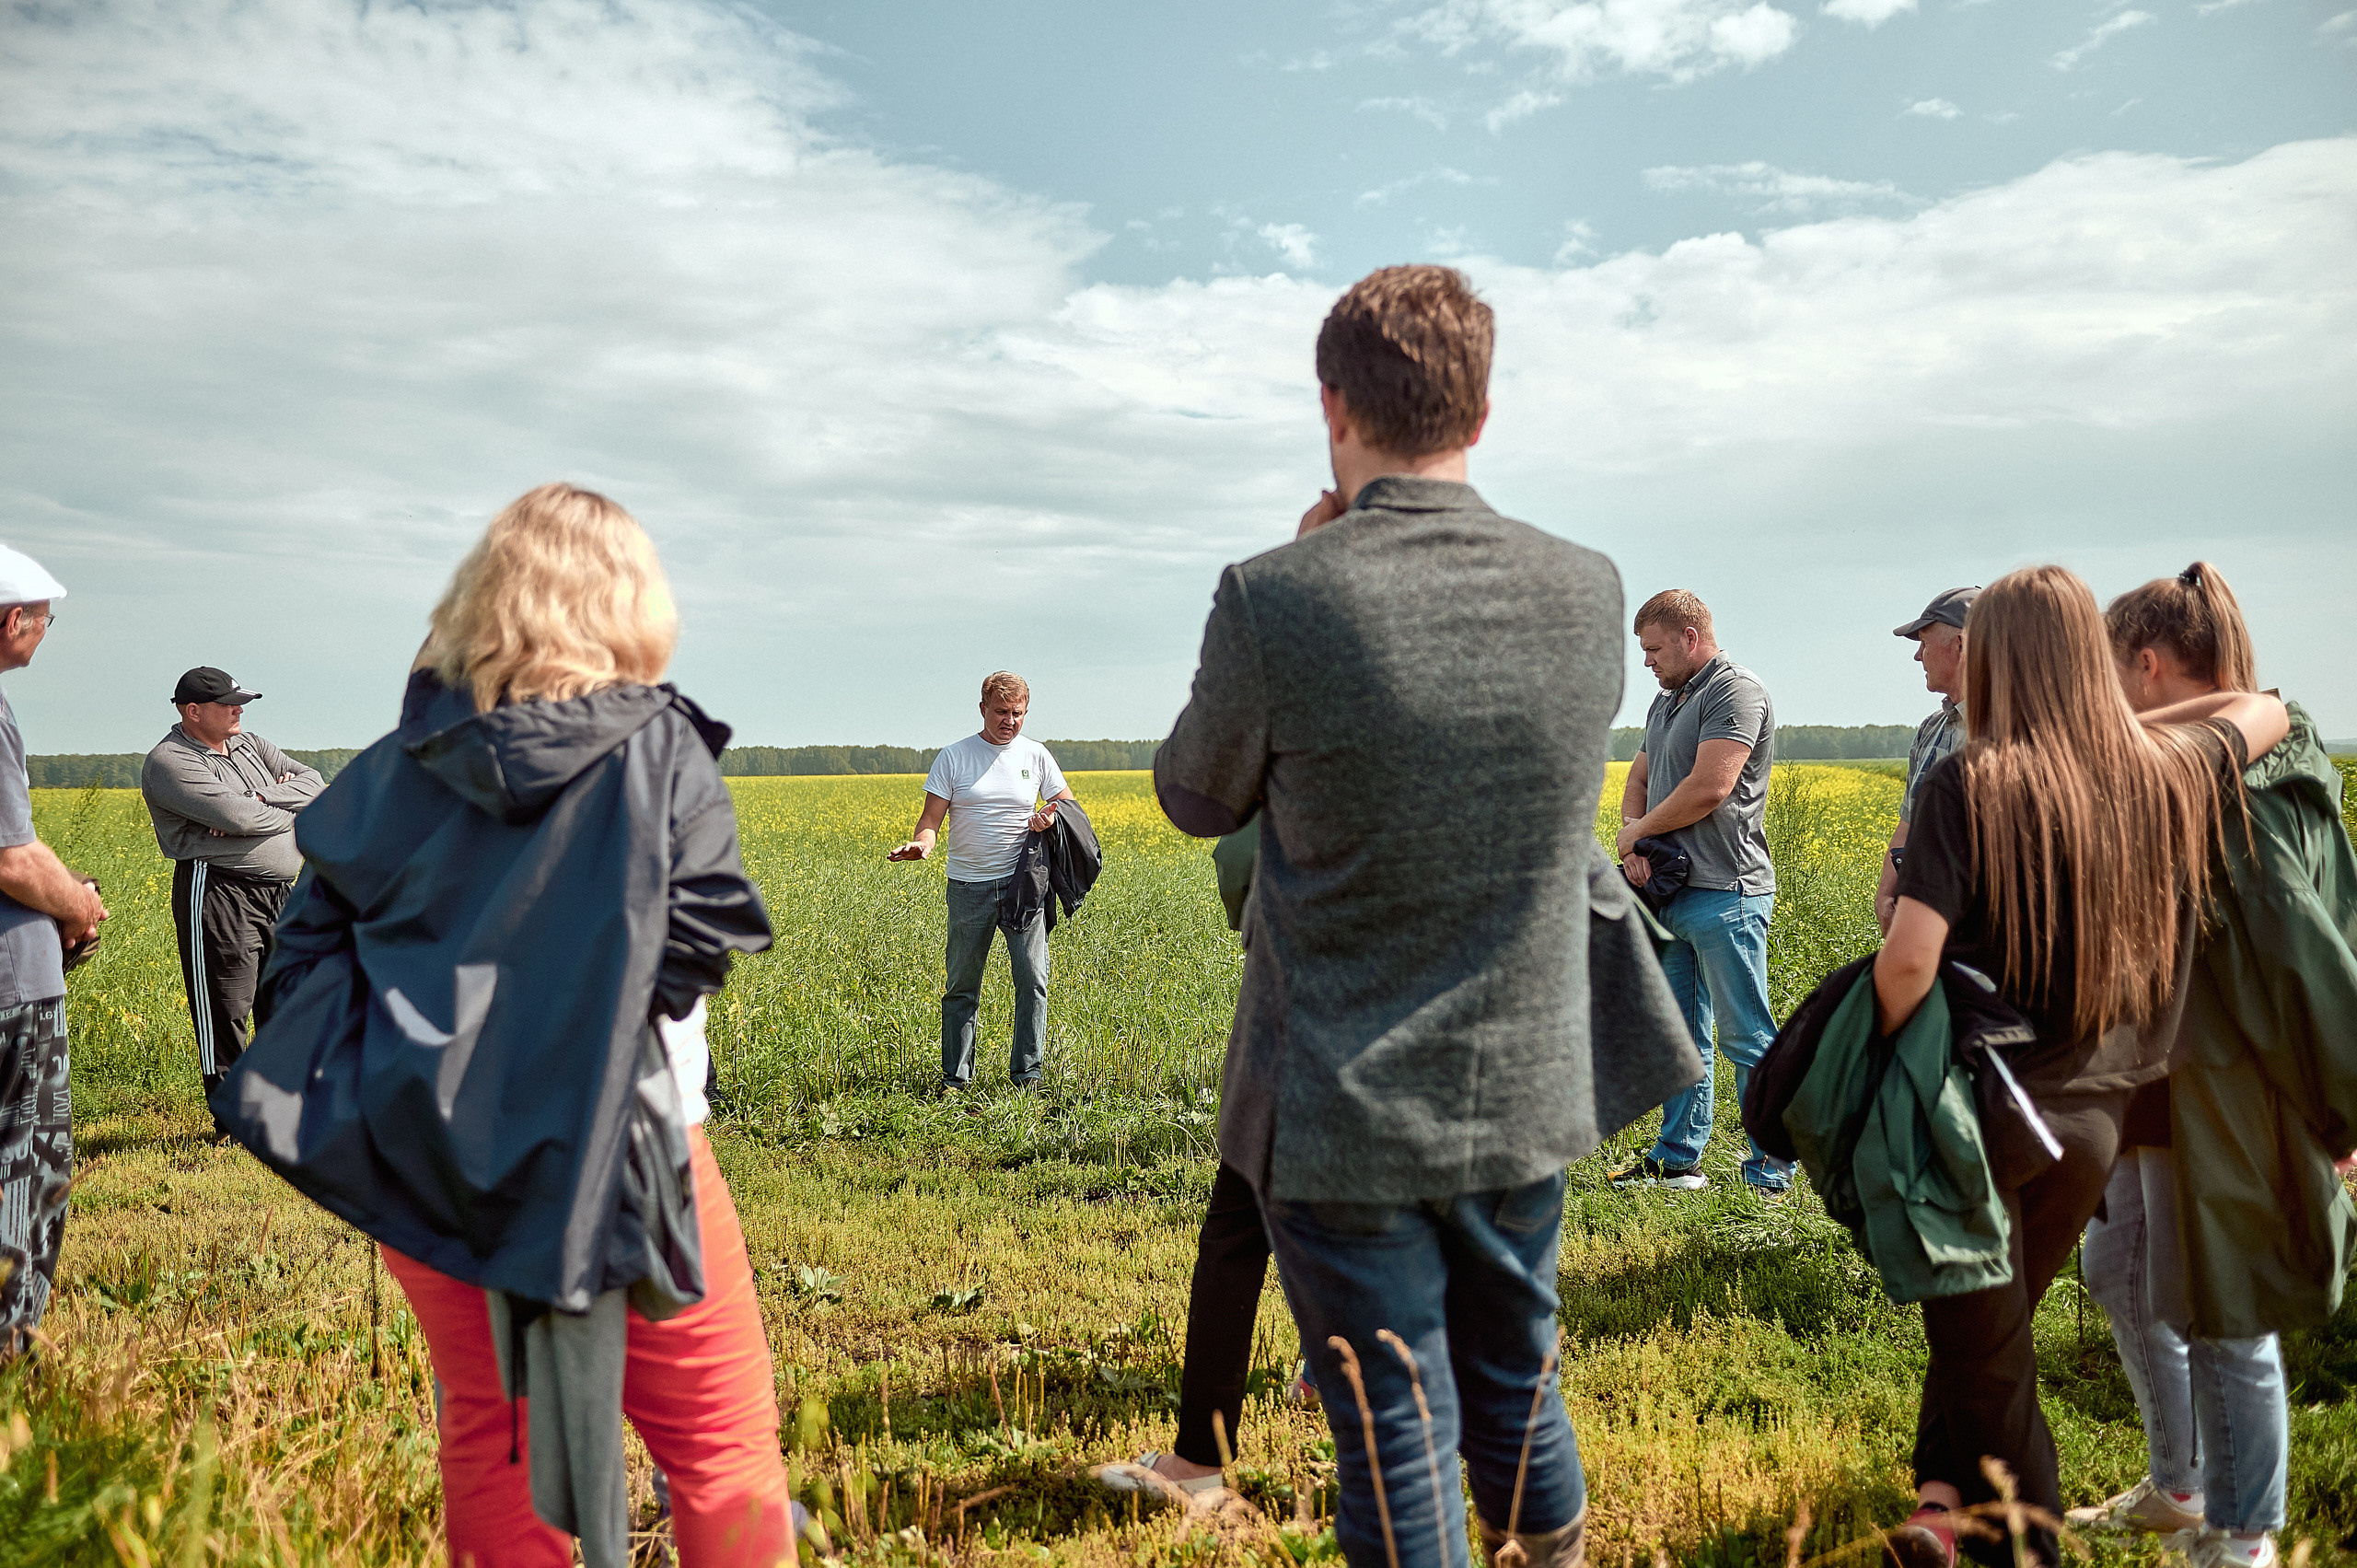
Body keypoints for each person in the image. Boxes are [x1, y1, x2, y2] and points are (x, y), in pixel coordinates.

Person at [1155, 263, 1698, 1568]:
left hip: (1342, 1095)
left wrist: (1304, 550)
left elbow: (1191, 792)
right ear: (1483, 410)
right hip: (1525, 1075)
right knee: (1517, 1378)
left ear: (1332, 404)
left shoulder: (1277, 592)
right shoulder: (1583, 586)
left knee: (1392, 1419)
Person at [212, 484, 795, 1566]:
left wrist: (413, 1071)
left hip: (431, 1160)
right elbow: (699, 944)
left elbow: (300, 969)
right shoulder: (658, 748)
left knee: (495, 1442)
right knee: (719, 1448)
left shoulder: (394, 769)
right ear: (628, 606)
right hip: (635, 1154)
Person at [1871, 565, 2288, 1568]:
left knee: (1991, 1343)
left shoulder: (1968, 780)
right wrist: (2133, 728)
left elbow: (1909, 961)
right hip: (2098, 1120)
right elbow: (2261, 706)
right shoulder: (2163, 771)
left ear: (1994, 660)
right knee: (1986, 1322)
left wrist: (1891, 1049)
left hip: (1984, 1107)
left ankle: (2015, 1541)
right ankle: (1940, 1506)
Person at [2067, 563, 2357, 1568]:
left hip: (2226, 1086)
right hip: (2152, 1080)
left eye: (2108, 672)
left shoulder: (2252, 781)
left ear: (2143, 664)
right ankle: (2178, 1482)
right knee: (2123, 1269)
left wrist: (2339, 1109)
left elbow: (2304, 960)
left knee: (2226, 1312)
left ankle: (2240, 1537)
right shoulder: (2190, 756)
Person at [1608, 590, 1788, 1196]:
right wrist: (1633, 845)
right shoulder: (1668, 702)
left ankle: (1771, 1172)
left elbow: (1710, 786)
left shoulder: (1734, 691)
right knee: (1681, 1039)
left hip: (1726, 893)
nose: (1648, 663)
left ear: (1689, 636)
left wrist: (1637, 830)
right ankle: (1678, 1159)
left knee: (1747, 1038)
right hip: (1673, 896)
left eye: (1655, 649)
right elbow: (1638, 776)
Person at [0, 546, 108, 1363]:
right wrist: (78, 904)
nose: (45, 631)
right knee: (28, 1163)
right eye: (45, 617)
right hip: (13, 987)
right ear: (13, 619)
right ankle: (10, 1343)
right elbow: (10, 856)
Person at [141, 667, 324, 1099]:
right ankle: (231, 1115)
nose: (239, 711)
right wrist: (283, 811)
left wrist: (260, 797)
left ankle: (279, 1106)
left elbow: (315, 785)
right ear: (193, 711)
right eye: (229, 704)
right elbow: (237, 818)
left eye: (240, 702)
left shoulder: (250, 744)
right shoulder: (171, 761)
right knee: (226, 1008)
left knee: (284, 997)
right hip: (219, 891)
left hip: (281, 892)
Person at [888, 673, 1074, 1091]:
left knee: (1033, 981)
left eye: (1018, 714)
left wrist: (1049, 815)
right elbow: (931, 821)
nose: (1010, 721)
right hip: (969, 887)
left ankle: (1028, 1076)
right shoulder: (954, 757)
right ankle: (956, 1079)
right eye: (1002, 712)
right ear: (983, 709)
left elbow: (1066, 804)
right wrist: (921, 845)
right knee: (962, 985)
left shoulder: (1036, 755)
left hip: (1023, 885)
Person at [1876, 587, 1980, 935]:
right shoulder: (1930, 731)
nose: (1918, 656)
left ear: (1961, 646)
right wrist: (1886, 893)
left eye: (1924, 642)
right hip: (1923, 917)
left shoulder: (2007, 734)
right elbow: (1909, 821)